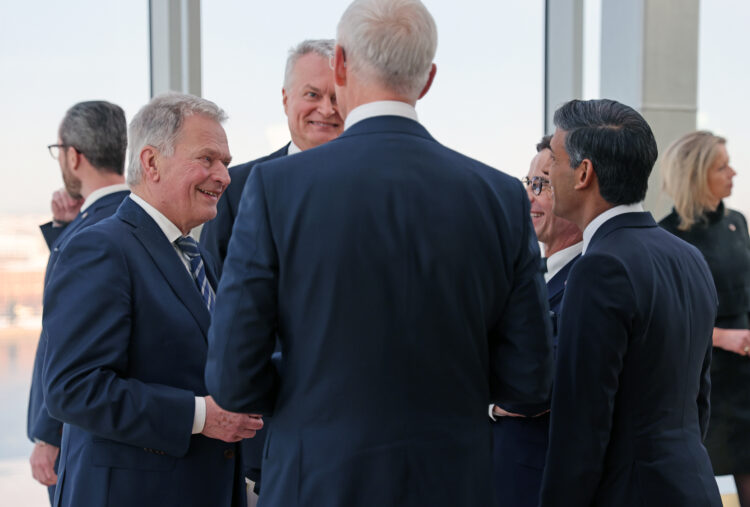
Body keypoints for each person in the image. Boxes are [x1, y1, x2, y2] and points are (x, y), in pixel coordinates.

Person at [205, 0, 553, 505]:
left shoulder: (276, 188)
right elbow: (529, 382)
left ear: (341, 64)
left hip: (317, 481)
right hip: (454, 484)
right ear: (428, 79)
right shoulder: (498, 196)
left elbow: (234, 380)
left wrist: (314, 378)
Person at [41, 93, 263, 507]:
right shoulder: (100, 249)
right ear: (151, 162)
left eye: (226, 163)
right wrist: (200, 417)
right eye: (208, 159)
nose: (224, 176)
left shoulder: (196, 256)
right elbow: (73, 389)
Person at [539, 99, 722, 506]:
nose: (547, 170)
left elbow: (581, 428)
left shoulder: (600, 266)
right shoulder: (688, 256)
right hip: (693, 484)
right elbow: (698, 400)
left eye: (554, 156)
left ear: (584, 173)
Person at [27, 100, 130, 504]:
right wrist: (65, 230)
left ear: (73, 156)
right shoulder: (130, 217)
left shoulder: (91, 235)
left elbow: (73, 346)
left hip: (79, 436)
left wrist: (48, 434)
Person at [659, 131, 750, 506]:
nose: (734, 173)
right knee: (698, 487)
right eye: (722, 166)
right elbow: (667, 320)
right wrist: (723, 337)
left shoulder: (738, 223)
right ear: (696, 175)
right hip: (704, 381)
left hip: (746, 379)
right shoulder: (666, 236)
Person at [491, 135, 582, 507]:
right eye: (529, 183)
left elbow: (536, 392)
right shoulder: (529, 272)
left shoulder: (589, 277)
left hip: (540, 482)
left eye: (542, 184)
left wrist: (478, 396)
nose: (529, 197)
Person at [200, 39, 343, 276]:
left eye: (337, 98)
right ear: (286, 100)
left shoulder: (377, 185)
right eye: (312, 94)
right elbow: (213, 290)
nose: (327, 109)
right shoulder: (236, 189)